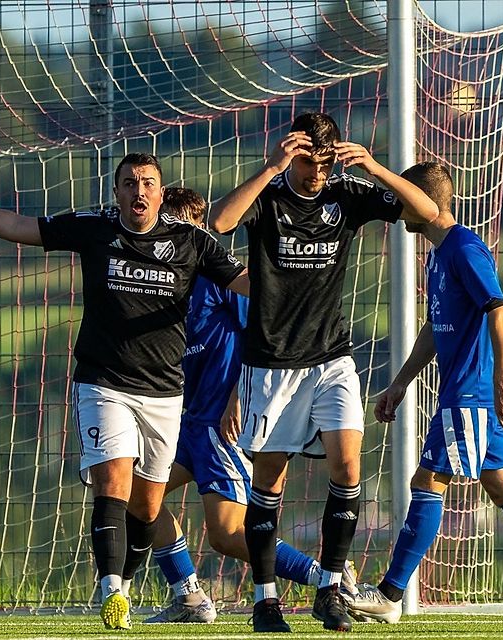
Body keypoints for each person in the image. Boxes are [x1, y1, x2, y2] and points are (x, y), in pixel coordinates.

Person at [0, 153, 249, 631]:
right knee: (113, 482)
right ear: (116, 192)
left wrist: (305, 277)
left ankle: (132, 582)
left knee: (147, 506)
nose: (138, 191)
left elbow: (251, 284)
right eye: (129, 183)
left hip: (165, 393)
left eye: (147, 183)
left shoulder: (191, 240)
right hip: (103, 383)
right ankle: (113, 592)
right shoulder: (95, 227)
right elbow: (19, 226)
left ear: (161, 193)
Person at [209, 112, 439, 632]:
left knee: (348, 466)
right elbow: (219, 223)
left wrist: (375, 167)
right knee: (270, 481)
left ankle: (330, 588)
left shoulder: (346, 194)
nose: (317, 173)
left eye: (325, 163)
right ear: (293, 155)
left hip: (332, 357)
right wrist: (272, 167)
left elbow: (426, 211)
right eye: (308, 162)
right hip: (271, 364)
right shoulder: (269, 195)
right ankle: (265, 600)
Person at [354, 160, 503, 624]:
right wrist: (400, 382)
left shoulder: (464, 248)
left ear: (424, 202)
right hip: (467, 395)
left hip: (471, 395)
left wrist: (501, 383)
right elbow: (436, 328)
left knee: (427, 484)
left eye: (403, 198)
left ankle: (390, 595)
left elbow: (500, 312)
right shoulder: (438, 256)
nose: (397, 209)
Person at [144, 187, 356, 624]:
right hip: (187, 423)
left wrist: (238, 397)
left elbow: (260, 336)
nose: (172, 236)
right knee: (137, 494)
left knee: (226, 534)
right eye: (168, 227)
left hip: (219, 423)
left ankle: (327, 578)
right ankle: (188, 595)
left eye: (182, 228)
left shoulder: (221, 279)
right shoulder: (165, 281)